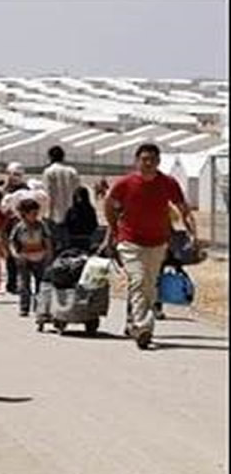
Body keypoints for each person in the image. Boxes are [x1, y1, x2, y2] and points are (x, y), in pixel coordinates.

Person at [101, 143, 196, 350]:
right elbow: (109, 205)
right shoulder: (125, 183)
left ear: (159, 161)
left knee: (150, 286)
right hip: (130, 241)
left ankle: (134, 322)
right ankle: (143, 327)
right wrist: (113, 229)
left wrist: (192, 232)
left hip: (157, 242)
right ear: (137, 161)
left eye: (152, 159)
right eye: (144, 159)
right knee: (138, 280)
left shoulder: (168, 183)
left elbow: (183, 208)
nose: (148, 163)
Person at [9, 198, 53, 317]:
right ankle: (24, 307)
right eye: (33, 213)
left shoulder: (41, 226)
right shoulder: (19, 228)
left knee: (40, 284)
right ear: (25, 214)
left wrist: (49, 255)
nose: (35, 216)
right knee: (24, 284)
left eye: (36, 213)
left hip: (40, 258)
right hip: (24, 259)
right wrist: (16, 255)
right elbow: (12, 243)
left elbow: (47, 240)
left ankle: (39, 307)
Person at [42, 145, 80, 255]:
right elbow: (78, 193)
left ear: (50, 157)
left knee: (55, 247)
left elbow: (48, 194)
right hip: (71, 216)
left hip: (55, 216)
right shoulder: (72, 171)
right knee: (69, 247)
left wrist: (47, 215)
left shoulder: (48, 172)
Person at [1, 162, 29, 294]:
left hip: (20, 226)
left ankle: (20, 283)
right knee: (9, 256)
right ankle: (12, 283)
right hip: (7, 226)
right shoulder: (5, 189)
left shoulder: (25, 190)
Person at [64, 186, 99, 253]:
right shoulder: (71, 210)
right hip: (73, 239)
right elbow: (67, 224)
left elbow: (94, 224)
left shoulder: (90, 210)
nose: (79, 199)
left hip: (87, 239)